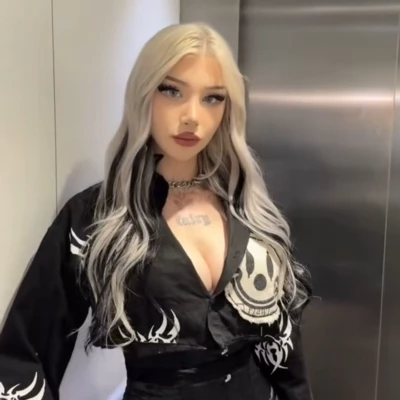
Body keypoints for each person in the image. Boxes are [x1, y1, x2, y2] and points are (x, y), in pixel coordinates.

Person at [0, 22, 313, 400]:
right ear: (143, 93)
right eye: (172, 90)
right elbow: (23, 358)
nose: (192, 116)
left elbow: (282, 348)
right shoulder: (98, 219)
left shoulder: (246, 208)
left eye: (213, 98)